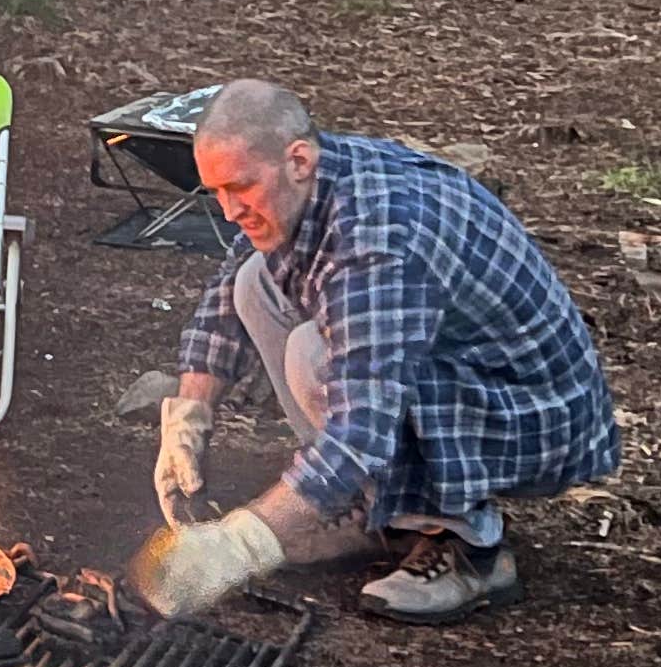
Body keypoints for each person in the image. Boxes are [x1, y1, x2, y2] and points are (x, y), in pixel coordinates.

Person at [134, 78, 618, 626]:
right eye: (215, 191)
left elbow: (363, 425)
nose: (228, 211)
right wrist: (189, 415)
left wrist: (241, 545)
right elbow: (226, 295)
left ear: (297, 159)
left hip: (528, 410)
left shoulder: (377, 238)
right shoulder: (312, 177)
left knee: (314, 356)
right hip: (456, 366)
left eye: (238, 188)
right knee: (253, 282)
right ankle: (377, 509)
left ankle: (468, 550)